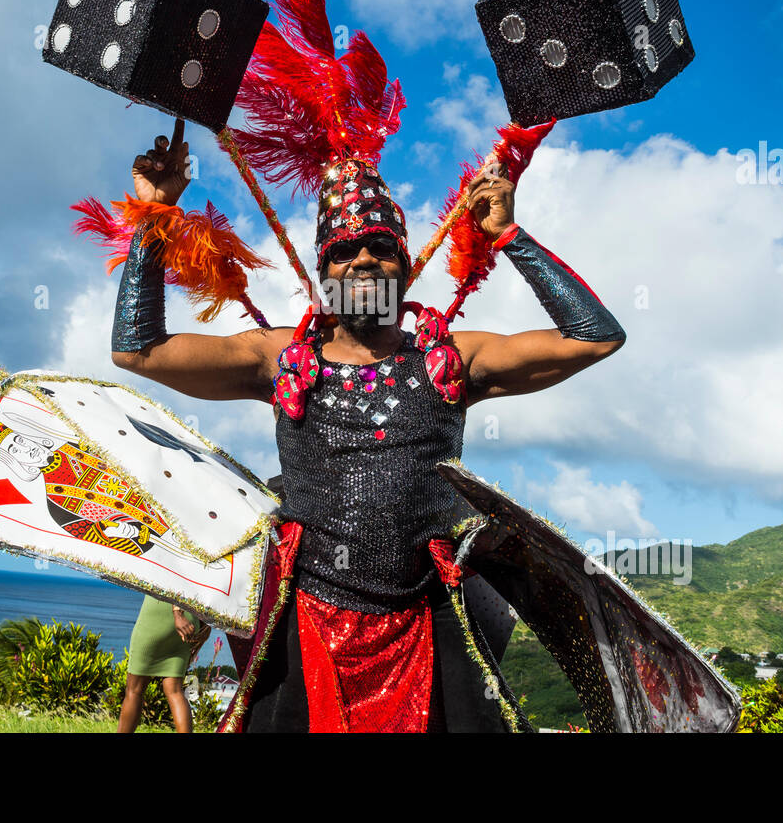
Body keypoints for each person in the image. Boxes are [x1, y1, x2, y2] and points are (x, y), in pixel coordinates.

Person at [109, 115, 626, 732]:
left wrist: (508, 234)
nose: (362, 260)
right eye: (343, 250)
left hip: (430, 633)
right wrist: (156, 215)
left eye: (381, 248)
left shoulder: (453, 360)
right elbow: (137, 349)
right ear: (324, 275)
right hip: (305, 635)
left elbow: (595, 337)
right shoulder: (275, 359)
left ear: (404, 269)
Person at [117, 594, 209, 733]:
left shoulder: (175, 613)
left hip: (163, 612)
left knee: (134, 690)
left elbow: (174, 574)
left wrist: (177, 613)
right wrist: (207, 624)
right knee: (175, 691)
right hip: (191, 619)